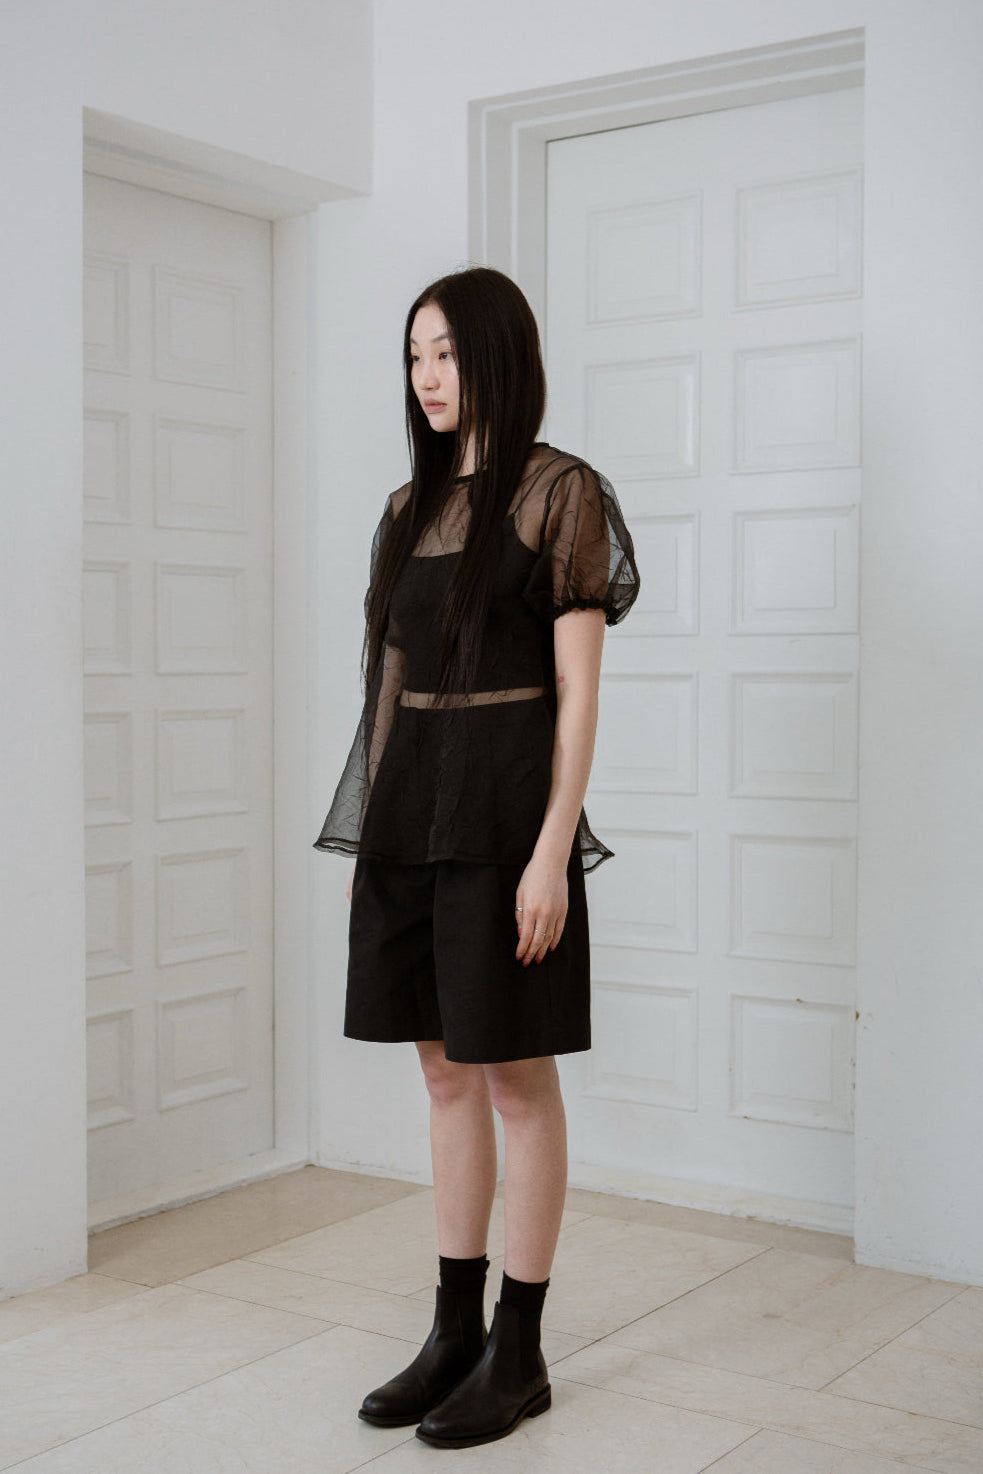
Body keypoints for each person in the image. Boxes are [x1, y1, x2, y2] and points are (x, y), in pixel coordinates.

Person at [313, 265, 640, 1449]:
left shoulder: (560, 494)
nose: (426, 376)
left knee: (514, 1077)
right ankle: (452, 1330)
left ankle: (519, 1347)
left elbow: (576, 695)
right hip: (411, 818)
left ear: (496, 353)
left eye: (445, 351)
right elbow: (385, 687)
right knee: (443, 1075)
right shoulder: (405, 509)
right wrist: (371, 837)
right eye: (413, 356)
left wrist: (553, 852)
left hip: (506, 817)